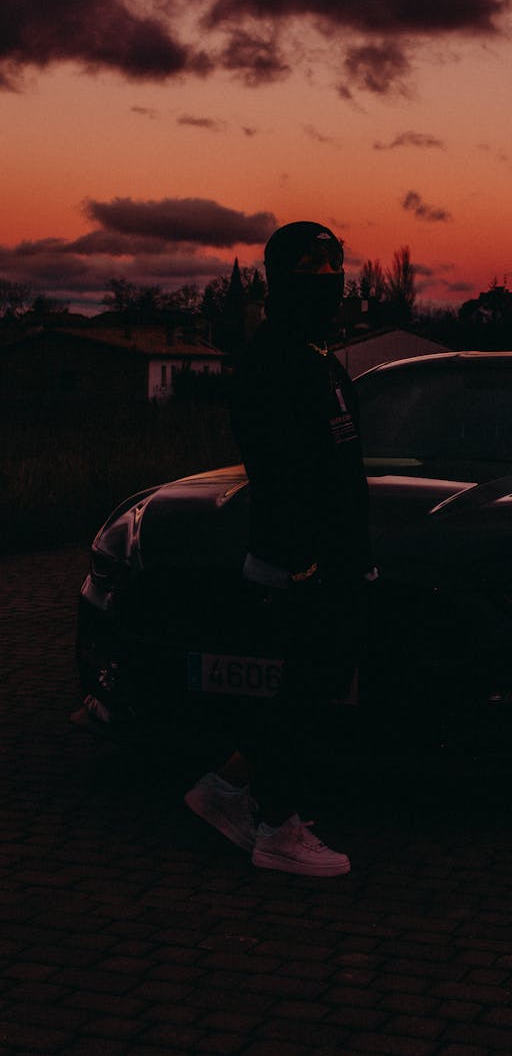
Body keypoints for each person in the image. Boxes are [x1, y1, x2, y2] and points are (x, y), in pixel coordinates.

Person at [184, 221, 375, 877]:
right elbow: (282, 469)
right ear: (282, 277)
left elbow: (336, 467)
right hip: (301, 566)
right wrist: (306, 563)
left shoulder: (314, 356)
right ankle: (276, 831)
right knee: (304, 694)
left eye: (334, 264)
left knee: (304, 688)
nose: (328, 277)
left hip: (329, 562)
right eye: (311, 265)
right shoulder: (275, 359)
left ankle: (231, 794)